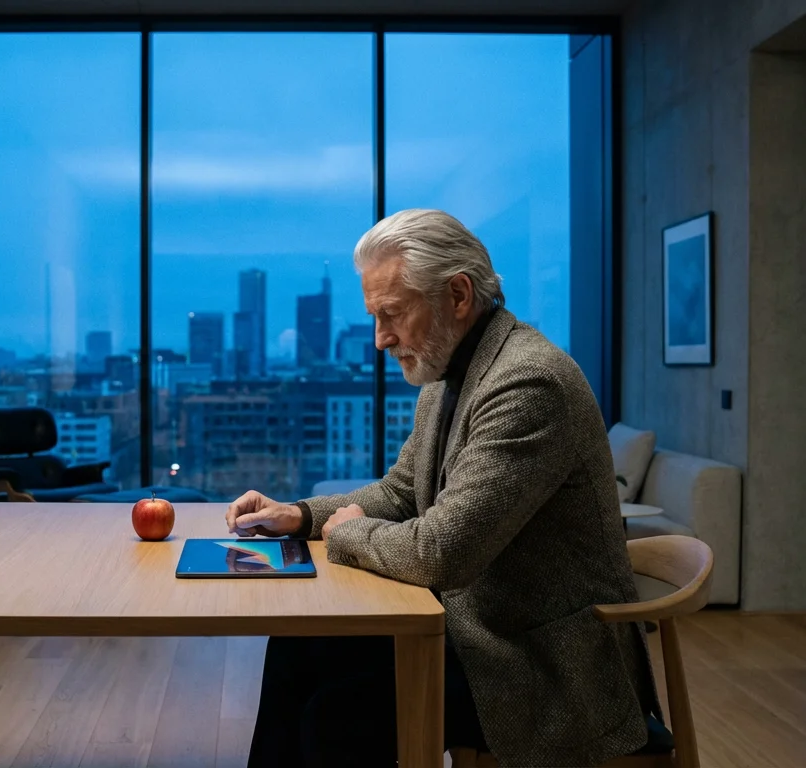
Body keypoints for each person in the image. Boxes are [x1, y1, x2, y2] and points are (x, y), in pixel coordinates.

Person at [224, 209, 659, 768]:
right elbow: (403, 493)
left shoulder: (529, 383)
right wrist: (301, 515)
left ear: (457, 294)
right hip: (477, 632)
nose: (381, 339)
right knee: (297, 648)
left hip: (544, 669)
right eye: (375, 317)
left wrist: (350, 533)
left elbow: (440, 553)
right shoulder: (450, 373)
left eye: (393, 314)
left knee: (337, 718)